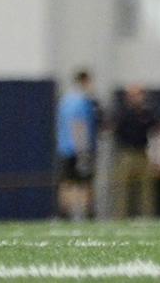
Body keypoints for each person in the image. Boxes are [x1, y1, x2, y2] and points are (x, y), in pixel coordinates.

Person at [55, 70, 100, 222]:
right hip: (77, 148)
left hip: (64, 148)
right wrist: (83, 150)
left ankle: (64, 214)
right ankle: (85, 214)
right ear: (84, 81)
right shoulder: (81, 101)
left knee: (66, 182)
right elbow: (78, 125)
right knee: (84, 183)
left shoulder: (65, 100)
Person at [107, 85, 157, 219]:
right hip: (126, 153)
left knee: (146, 189)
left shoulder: (146, 113)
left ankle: (146, 218)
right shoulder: (122, 113)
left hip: (143, 153)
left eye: (139, 94)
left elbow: (154, 129)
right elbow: (115, 132)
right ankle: (120, 217)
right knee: (122, 188)